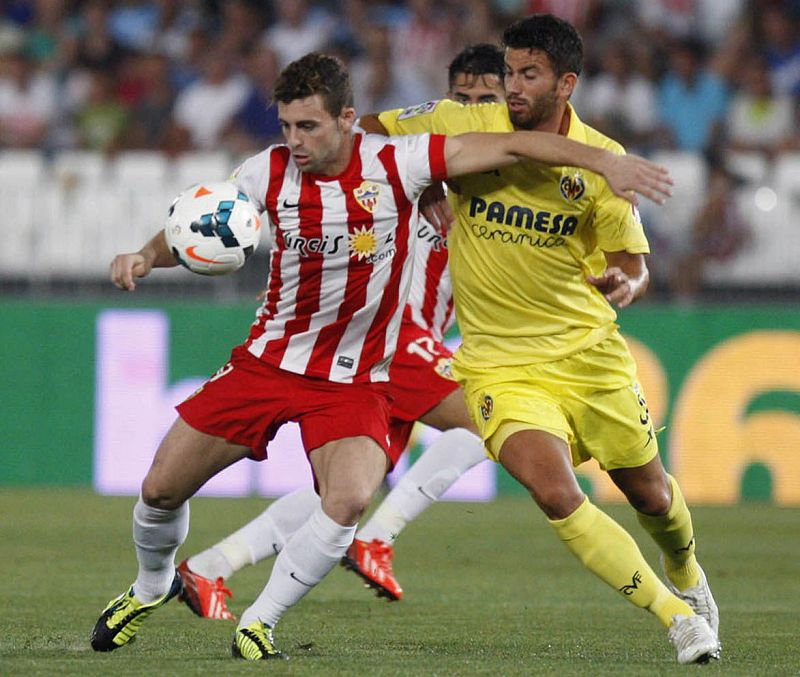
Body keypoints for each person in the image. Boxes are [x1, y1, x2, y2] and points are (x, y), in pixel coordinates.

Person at [90, 51, 672, 661]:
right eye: (286, 127)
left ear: (346, 119)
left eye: (308, 126)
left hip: (357, 378)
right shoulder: (267, 171)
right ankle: (150, 587)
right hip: (268, 362)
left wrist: (605, 161)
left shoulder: (400, 163)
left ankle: (259, 622)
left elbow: (517, 148)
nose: (296, 141)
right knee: (159, 490)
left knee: (346, 500)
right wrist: (146, 256)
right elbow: (201, 220)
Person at [358, 14, 721, 665]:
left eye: (529, 74)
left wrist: (626, 283)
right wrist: (427, 183)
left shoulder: (601, 160)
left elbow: (634, 263)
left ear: (566, 83)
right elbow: (366, 133)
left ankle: (689, 573)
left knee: (653, 497)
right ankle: (678, 617)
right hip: (501, 366)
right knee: (555, 492)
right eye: (509, 72)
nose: (512, 86)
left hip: (590, 359)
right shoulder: (465, 124)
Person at [174, 44, 507, 619]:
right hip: (392, 341)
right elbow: (360, 136)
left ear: (510, 103)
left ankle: (211, 566)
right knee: (496, 417)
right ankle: (378, 538)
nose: (475, 108)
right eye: (464, 97)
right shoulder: (412, 164)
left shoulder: (499, 181)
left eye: (489, 99)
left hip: (410, 343)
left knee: (349, 491)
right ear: (446, 100)